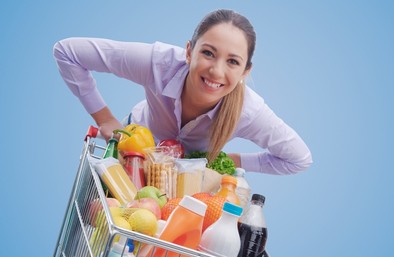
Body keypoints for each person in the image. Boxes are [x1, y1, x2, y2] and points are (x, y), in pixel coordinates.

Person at [53, 9, 312, 175]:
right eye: (208, 53)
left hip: (182, 182)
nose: (216, 71)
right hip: (130, 156)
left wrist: (232, 160)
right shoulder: (158, 64)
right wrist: (105, 119)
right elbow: (67, 52)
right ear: (189, 52)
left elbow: (299, 159)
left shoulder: (249, 112)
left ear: (246, 71)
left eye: (233, 61)